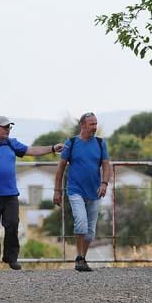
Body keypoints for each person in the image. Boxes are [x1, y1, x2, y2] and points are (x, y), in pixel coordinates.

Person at [0, 116, 63, 273]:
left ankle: (11, 258)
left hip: (10, 194)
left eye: (9, 128)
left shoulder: (12, 143)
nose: (8, 130)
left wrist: (52, 148)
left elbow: (31, 150)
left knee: (12, 225)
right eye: (5, 127)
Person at [53, 112, 111, 272]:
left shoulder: (100, 143)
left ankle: (82, 259)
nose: (94, 127)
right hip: (75, 190)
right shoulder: (71, 143)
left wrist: (104, 183)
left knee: (91, 230)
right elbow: (60, 168)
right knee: (81, 222)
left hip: (95, 191)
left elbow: (106, 165)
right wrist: (57, 190)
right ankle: (79, 256)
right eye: (91, 124)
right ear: (83, 125)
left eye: (95, 124)